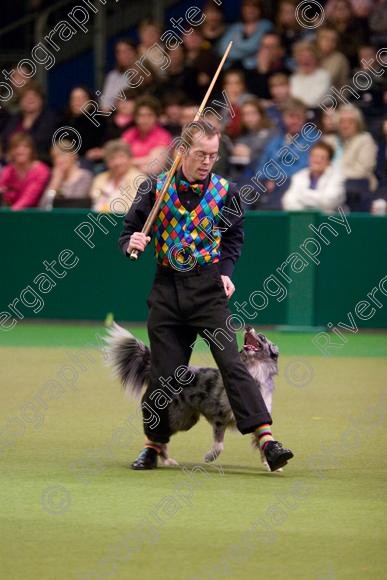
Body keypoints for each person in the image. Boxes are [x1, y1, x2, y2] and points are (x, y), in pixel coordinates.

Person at [118, 120, 294, 472]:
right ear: (182, 151)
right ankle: (154, 445)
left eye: (214, 155)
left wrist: (226, 272)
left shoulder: (226, 191)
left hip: (208, 289)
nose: (207, 161)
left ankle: (266, 440)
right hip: (167, 290)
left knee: (232, 364)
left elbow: (233, 238)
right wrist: (131, 242)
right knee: (164, 374)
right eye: (201, 154)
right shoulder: (155, 189)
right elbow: (130, 230)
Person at [282, 141, 345, 211]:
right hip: (302, 219)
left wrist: (301, 194)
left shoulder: (338, 177)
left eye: (322, 157)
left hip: (328, 220)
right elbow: (288, 201)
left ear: (329, 161)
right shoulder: (298, 176)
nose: (317, 160)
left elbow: (328, 201)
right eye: (314, 156)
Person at [217, 0, 273, 70]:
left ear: (260, 9)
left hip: (255, 69)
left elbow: (253, 46)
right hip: (232, 69)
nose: (250, 10)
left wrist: (235, 48)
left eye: (254, 6)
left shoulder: (266, 25)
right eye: (247, 7)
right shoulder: (235, 27)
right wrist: (249, 54)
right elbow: (222, 49)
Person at [121, 96, 172, 172]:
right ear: (135, 117)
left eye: (150, 115)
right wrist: (146, 159)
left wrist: (128, 162)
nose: (145, 119)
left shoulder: (163, 136)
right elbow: (118, 158)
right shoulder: (129, 133)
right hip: (127, 175)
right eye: (141, 115)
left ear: (156, 117)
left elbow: (154, 167)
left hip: (151, 179)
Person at [0, 132, 50, 210]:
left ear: (31, 151)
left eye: (25, 147)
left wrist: (10, 214)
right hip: (12, 213)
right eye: (16, 147)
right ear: (11, 151)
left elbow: (29, 198)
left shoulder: (41, 170)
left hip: (35, 215)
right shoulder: (8, 170)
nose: (20, 151)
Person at [40, 140, 93, 209]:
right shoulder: (54, 178)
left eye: (62, 155)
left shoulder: (85, 176)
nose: (59, 160)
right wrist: (55, 184)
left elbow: (75, 204)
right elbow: (43, 206)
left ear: (74, 155)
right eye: (55, 157)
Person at [91, 140, 140, 212]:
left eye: (121, 157)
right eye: (112, 158)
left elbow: (133, 209)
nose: (117, 162)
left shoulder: (138, 179)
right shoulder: (100, 178)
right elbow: (94, 202)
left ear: (130, 159)